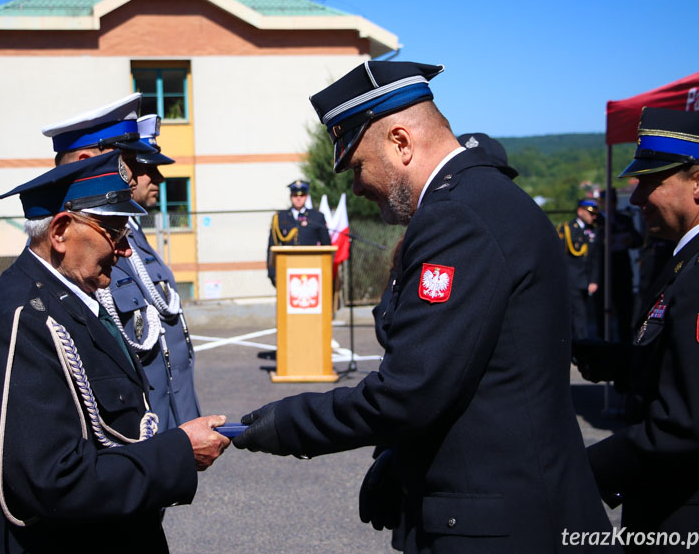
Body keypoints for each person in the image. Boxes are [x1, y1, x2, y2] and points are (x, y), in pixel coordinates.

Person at [234, 61, 614, 553]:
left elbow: (411, 390)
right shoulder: (486, 199)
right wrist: (401, 459)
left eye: (357, 166)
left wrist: (285, 423)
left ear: (401, 142)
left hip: (498, 525)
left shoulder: (456, 217)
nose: (356, 187)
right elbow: (473, 376)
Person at [0, 151, 229, 552]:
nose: (125, 250)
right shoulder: (25, 320)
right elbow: (54, 481)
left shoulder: (73, 297)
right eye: (114, 232)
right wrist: (177, 451)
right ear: (60, 232)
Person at [574, 107, 699, 549]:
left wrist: (583, 470)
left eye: (650, 184)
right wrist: (608, 357)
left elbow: (690, 420)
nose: (635, 200)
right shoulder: (688, 260)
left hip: (687, 514)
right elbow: (682, 365)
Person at [42, 94, 200, 433]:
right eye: (131, 163)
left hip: (169, 427)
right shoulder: (66, 253)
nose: (140, 177)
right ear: (87, 161)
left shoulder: (126, 238)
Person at [596, 188, 643, 342]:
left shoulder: (623, 219)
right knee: (602, 309)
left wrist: (629, 240)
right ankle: (603, 340)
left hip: (622, 268)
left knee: (624, 309)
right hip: (603, 269)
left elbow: (638, 239)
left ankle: (625, 340)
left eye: (613, 202)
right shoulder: (597, 221)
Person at [266, 180, 332, 286]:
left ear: (306, 197)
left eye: (302, 195)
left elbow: (327, 245)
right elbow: (272, 247)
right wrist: (272, 274)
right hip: (287, 270)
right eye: (295, 195)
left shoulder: (316, 217)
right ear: (290, 197)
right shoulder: (279, 218)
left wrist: (327, 270)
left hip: (313, 271)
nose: (298, 198)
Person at [557, 199, 603, 339]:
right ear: (580, 211)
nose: (593, 216)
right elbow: (560, 255)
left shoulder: (595, 230)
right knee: (577, 316)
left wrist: (594, 280)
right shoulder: (567, 229)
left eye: (595, 214)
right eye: (590, 213)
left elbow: (596, 258)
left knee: (584, 315)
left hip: (586, 279)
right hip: (572, 279)